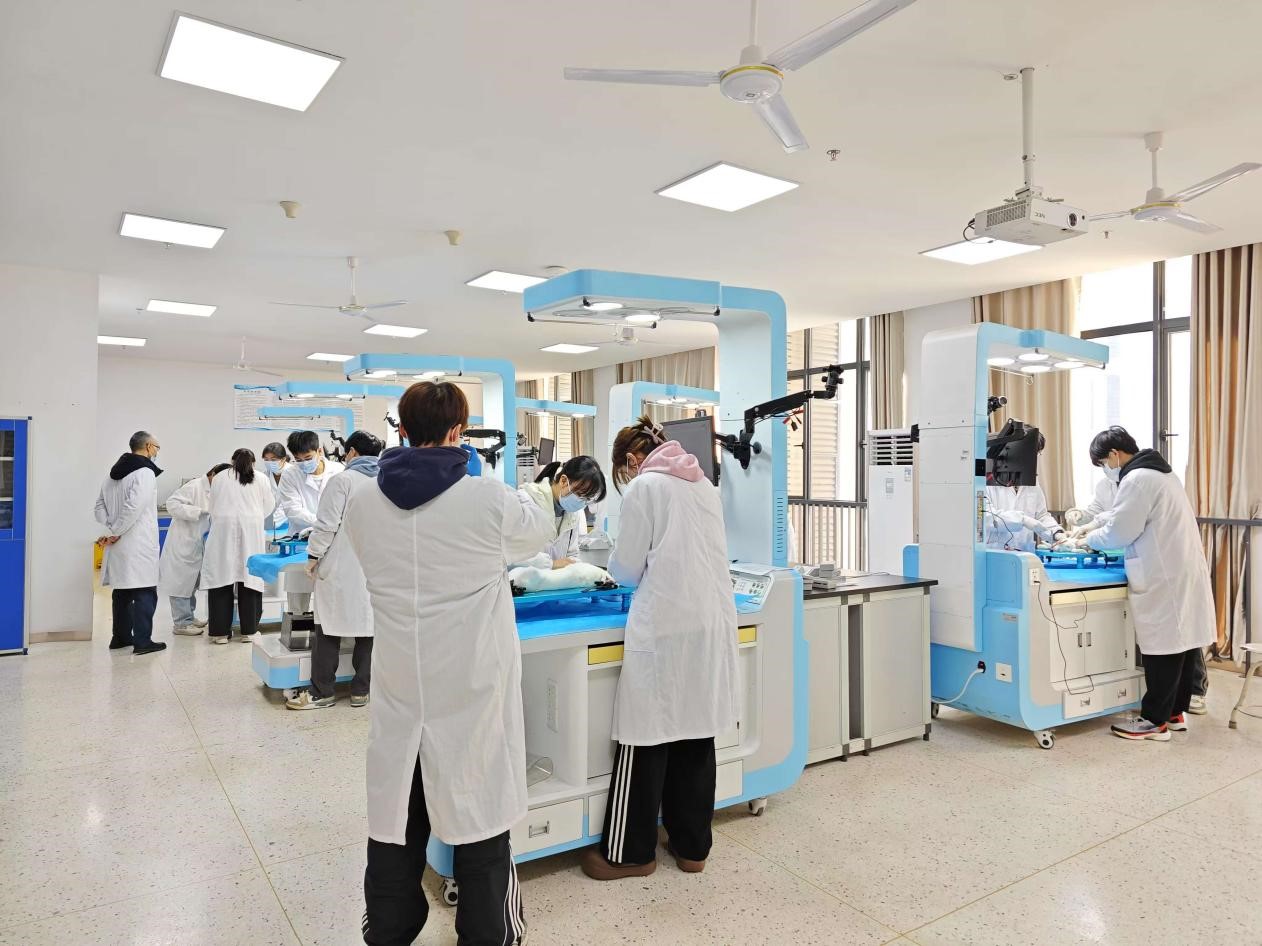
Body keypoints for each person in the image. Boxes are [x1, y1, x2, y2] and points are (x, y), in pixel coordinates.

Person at [343, 381, 551, 946]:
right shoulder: (487, 499)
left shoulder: (362, 501)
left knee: (398, 814)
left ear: (402, 428)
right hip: (470, 681)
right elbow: (538, 532)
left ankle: (389, 929)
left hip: (400, 680)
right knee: (481, 812)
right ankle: (487, 932)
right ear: (459, 430)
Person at [581, 416, 739, 881]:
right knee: (696, 732)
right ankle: (692, 848)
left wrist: (608, 568)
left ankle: (630, 854)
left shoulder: (646, 487)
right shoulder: (703, 485)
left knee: (644, 736)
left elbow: (626, 569)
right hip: (709, 622)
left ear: (633, 460)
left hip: (666, 624)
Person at [1076, 427, 1216, 741]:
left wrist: (1088, 539)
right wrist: (1094, 524)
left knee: (1162, 648)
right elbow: (1122, 514)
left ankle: (1154, 721)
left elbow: (1121, 531)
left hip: (1163, 574)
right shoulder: (1160, 474)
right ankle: (1174, 713)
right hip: (1180, 568)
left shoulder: (1136, 479)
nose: (1106, 469)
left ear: (1114, 454)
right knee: (1182, 644)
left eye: (1103, 463)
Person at [287, 430, 385, 711]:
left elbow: (326, 524)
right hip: (374, 565)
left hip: (342, 564)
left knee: (328, 627)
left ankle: (322, 692)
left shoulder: (343, 480)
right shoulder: (386, 480)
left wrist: (313, 556)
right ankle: (362, 691)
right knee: (368, 628)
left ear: (351, 452)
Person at [95, 431, 166, 655]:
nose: (157, 452)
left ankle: (120, 638)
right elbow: (134, 507)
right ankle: (143, 641)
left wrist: (110, 529)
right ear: (148, 446)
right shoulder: (145, 473)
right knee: (145, 591)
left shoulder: (111, 476)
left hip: (119, 545)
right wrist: (116, 530)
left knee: (122, 592)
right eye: (156, 447)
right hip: (137, 543)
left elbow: (99, 507)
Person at [202, 448, 275, 645]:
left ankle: (220, 633)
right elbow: (268, 505)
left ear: (232, 460)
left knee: (221, 578)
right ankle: (249, 632)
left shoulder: (220, 477)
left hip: (223, 530)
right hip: (251, 529)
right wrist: (253, 516)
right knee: (250, 578)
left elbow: (212, 504)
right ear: (253, 462)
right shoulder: (261, 478)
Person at [160, 462, 231, 636]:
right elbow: (172, 504)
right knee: (180, 584)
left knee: (191, 584)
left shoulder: (216, 490)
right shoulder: (194, 486)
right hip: (183, 542)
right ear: (213, 474)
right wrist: (198, 511)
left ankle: (189, 618)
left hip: (197, 544)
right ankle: (181, 624)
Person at [516, 456, 607, 569]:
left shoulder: (572, 513)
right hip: (524, 578)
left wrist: (580, 569)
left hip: (554, 579)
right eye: (580, 494)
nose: (582, 503)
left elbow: (572, 554)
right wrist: (551, 564)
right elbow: (511, 555)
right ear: (563, 481)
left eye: (587, 499)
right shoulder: (525, 501)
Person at [983, 433, 1067, 552]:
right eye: (1031, 453)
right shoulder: (987, 480)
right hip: (995, 551)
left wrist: (1056, 533)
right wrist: (1022, 520)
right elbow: (986, 516)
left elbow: (1041, 515)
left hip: (1024, 552)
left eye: (1036, 453)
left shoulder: (1031, 480)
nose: (1033, 459)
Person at [276, 430, 343, 533]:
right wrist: (324, 523)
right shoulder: (290, 475)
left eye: (308, 458)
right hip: (301, 535)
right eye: (298, 460)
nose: (304, 463)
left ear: (319, 451)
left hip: (335, 534)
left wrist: (330, 524)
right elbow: (293, 511)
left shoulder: (339, 470)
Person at [261, 441, 290, 530]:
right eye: (266, 459)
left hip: (290, 521)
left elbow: (288, 502)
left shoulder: (293, 473)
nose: (269, 462)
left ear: (283, 459)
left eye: (273, 460)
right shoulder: (264, 475)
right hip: (269, 521)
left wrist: (272, 521)